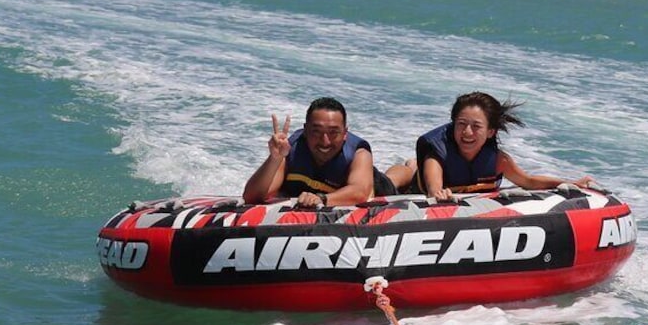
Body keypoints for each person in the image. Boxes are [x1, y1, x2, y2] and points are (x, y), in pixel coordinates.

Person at [406, 91, 594, 200]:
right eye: (461, 124)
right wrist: (440, 194)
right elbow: (434, 189)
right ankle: (409, 167)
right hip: (413, 187)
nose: (467, 132)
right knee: (399, 178)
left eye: (476, 126)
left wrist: (569, 183)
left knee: (412, 166)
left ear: (490, 132)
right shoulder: (437, 154)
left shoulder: (498, 160)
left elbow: (528, 182)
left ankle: (411, 164)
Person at [242, 97, 410, 207]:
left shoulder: (358, 153)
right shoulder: (290, 149)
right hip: (316, 186)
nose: (325, 141)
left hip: (371, 183)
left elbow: (359, 192)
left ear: (345, 133)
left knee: (393, 180)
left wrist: (321, 199)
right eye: (316, 131)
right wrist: (274, 158)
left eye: (333, 132)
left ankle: (411, 167)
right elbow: (252, 197)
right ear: (305, 130)